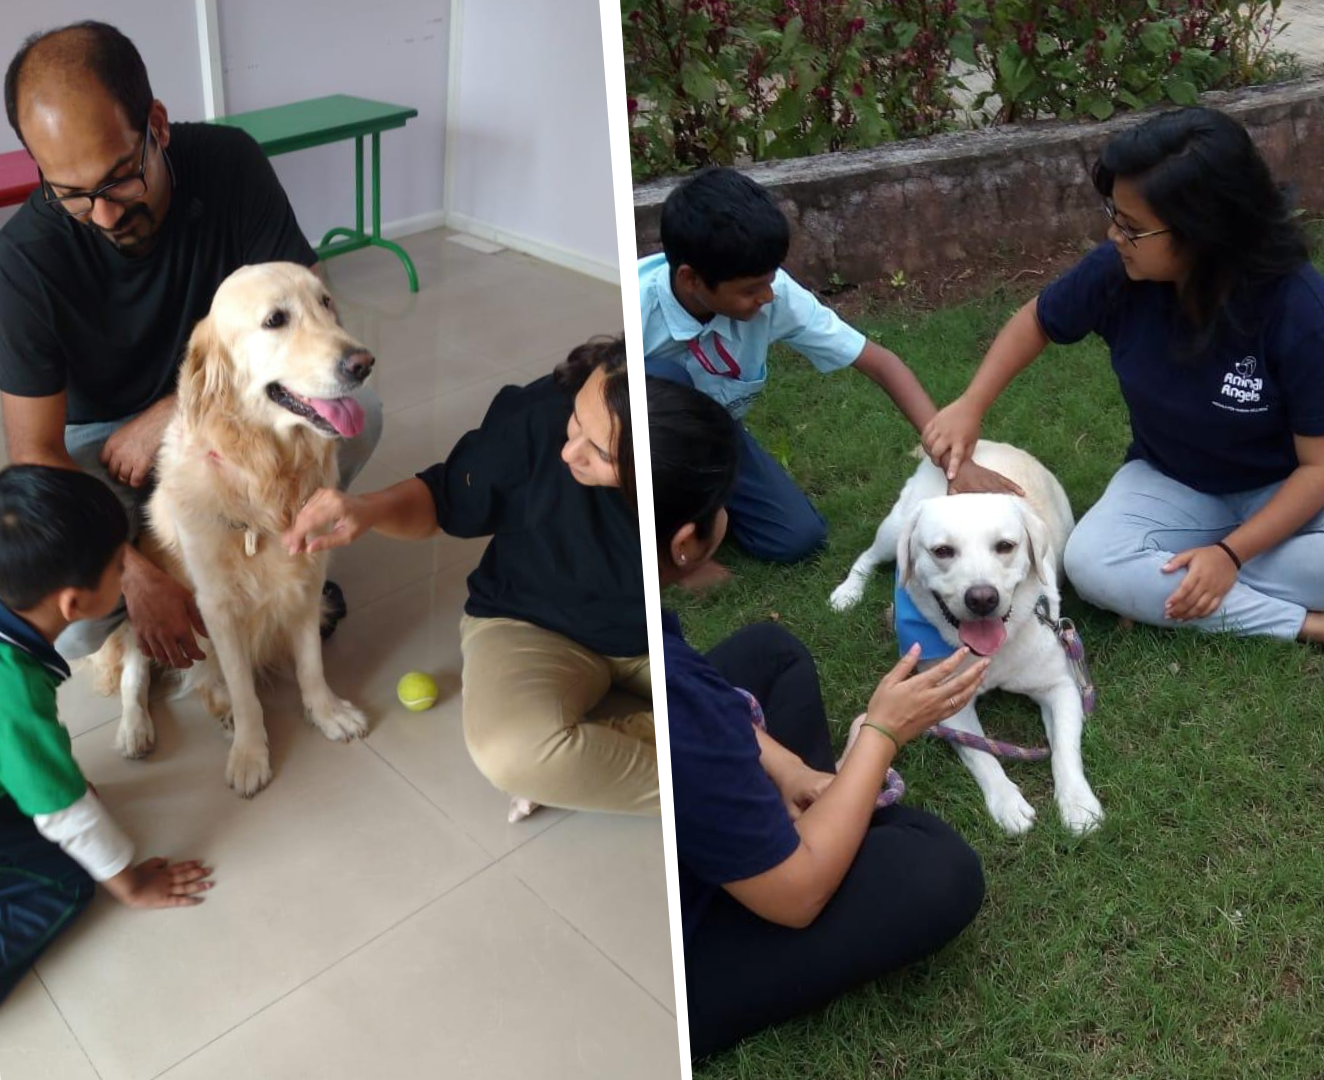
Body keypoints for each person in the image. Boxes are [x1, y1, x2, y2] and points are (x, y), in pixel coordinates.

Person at [0, 21, 383, 667]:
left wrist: (174, 411)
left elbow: (309, 308)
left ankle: (268, 561)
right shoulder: (23, 260)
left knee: (355, 417)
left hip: (215, 399)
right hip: (99, 446)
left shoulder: (229, 164)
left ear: (157, 124)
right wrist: (134, 574)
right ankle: (172, 575)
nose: (104, 215)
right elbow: (35, 454)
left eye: (120, 177)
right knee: (78, 625)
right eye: (69, 194)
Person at [920, 107, 1324, 651]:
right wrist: (971, 404)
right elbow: (1037, 319)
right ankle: (1315, 623)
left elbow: (1322, 468)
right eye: (1114, 214)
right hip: (1171, 479)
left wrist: (1230, 555)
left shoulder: (1301, 310)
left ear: (1204, 232)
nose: (1114, 233)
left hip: (1288, 486)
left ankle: (1168, 581)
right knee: (1090, 562)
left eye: (1131, 226)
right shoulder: (1118, 272)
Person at [652, 377, 989, 1058]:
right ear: (690, 541)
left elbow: (706, 712)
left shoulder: (622, 610)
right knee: (937, 869)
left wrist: (793, 771)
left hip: (684, 799)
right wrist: (880, 735)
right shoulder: (680, 708)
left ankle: (812, 819)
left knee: (770, 654)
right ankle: (812, 836)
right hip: (675, 944)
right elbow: (796, 898)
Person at [283, 339, 653, 819]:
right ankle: (707, 762)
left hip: (654, 633)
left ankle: (670, 759)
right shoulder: (541, 414)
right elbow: (443, 500)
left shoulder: (676, 468)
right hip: (533, 621)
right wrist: (366, 510)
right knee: (511, 754)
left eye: (599, 452)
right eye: (577, 420)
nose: (568, 452)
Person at [638, 166, 1014, 575]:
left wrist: (954, 462)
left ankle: (704, 500)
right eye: (750, 290)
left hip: (716, 432)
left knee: (798, 538)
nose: (767, 296)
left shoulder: (774, 294)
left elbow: (881, 364)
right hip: (638, 439)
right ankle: (662, 539)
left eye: (770, 280)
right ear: (691, 280)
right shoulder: (635, 308)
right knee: (657, 382)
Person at [0, 465, 214, 1003]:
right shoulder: (12, 691)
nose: (130, 572)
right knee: (65, 878)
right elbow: (63, 811)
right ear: (73, 604)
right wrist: (131, 883)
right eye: (122, 565)